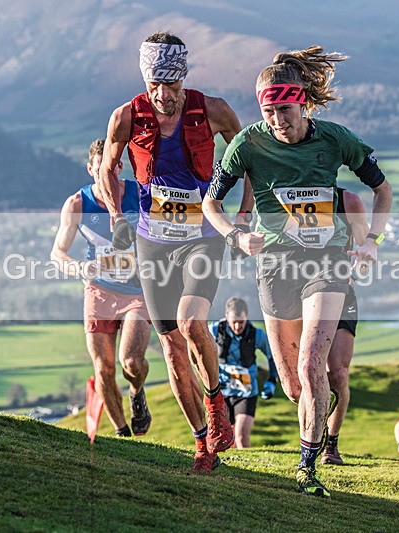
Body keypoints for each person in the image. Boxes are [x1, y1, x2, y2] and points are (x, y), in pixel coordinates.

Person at [202, 46, 392, 497]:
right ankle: (314, 426)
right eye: (268, 111)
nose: (276, 121)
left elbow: (382, 191)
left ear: (303, 102)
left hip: (325, 263)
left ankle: (308, 469)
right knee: (292, 385)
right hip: (274, 267)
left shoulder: (334, 139)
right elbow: (211, 202)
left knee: (313, 367)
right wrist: (234, 235)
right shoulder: (248, 143)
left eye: (284, 110)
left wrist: (370, 242)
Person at [95, 32, 246, 471]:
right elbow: (109, 168)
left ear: (184, 78)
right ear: (146, 81)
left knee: (190, 320)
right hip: (152, 240)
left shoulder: (212, 110)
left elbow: (247, 153)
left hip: (203, 234)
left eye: (173, 85)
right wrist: (116, 217)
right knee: (171, 346)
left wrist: (244, 213)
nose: (164, 95)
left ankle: (217, 402)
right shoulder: (125, 117)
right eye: (155, 85)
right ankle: (202, 443)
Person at [50, 139, 153, 437]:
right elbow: (58, 252)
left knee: (131, 362)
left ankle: (137, 392)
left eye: (112, 168)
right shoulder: (78, 204)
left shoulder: (139, 193)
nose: (105, 175)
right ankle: (123, 433)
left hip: (137, 291)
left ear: (119, 167)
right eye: (99, 169)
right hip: (99, 291)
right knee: (103, 369)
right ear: (90, 169)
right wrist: (79, 267)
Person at [320, 187, 370, 465]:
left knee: (337, 373)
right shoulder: (289, 193)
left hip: (341, 293)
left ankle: (331, 444)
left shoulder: (348, 201)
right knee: (306, 375)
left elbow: (366, 252)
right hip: (300, 292)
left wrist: (357, 272)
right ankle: (310, 437)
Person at [210, 297, 278, 448]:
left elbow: (272, 356)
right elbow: (197, 350)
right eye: (234, 321)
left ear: (247, 316)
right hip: (221, 392)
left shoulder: (257, 335)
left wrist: (272, 380)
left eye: (241, 321)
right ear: (226, 316)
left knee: (240, 435)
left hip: (246, 392)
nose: (237, 326)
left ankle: (249, 470)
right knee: (226, 439)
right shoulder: (214, 330)